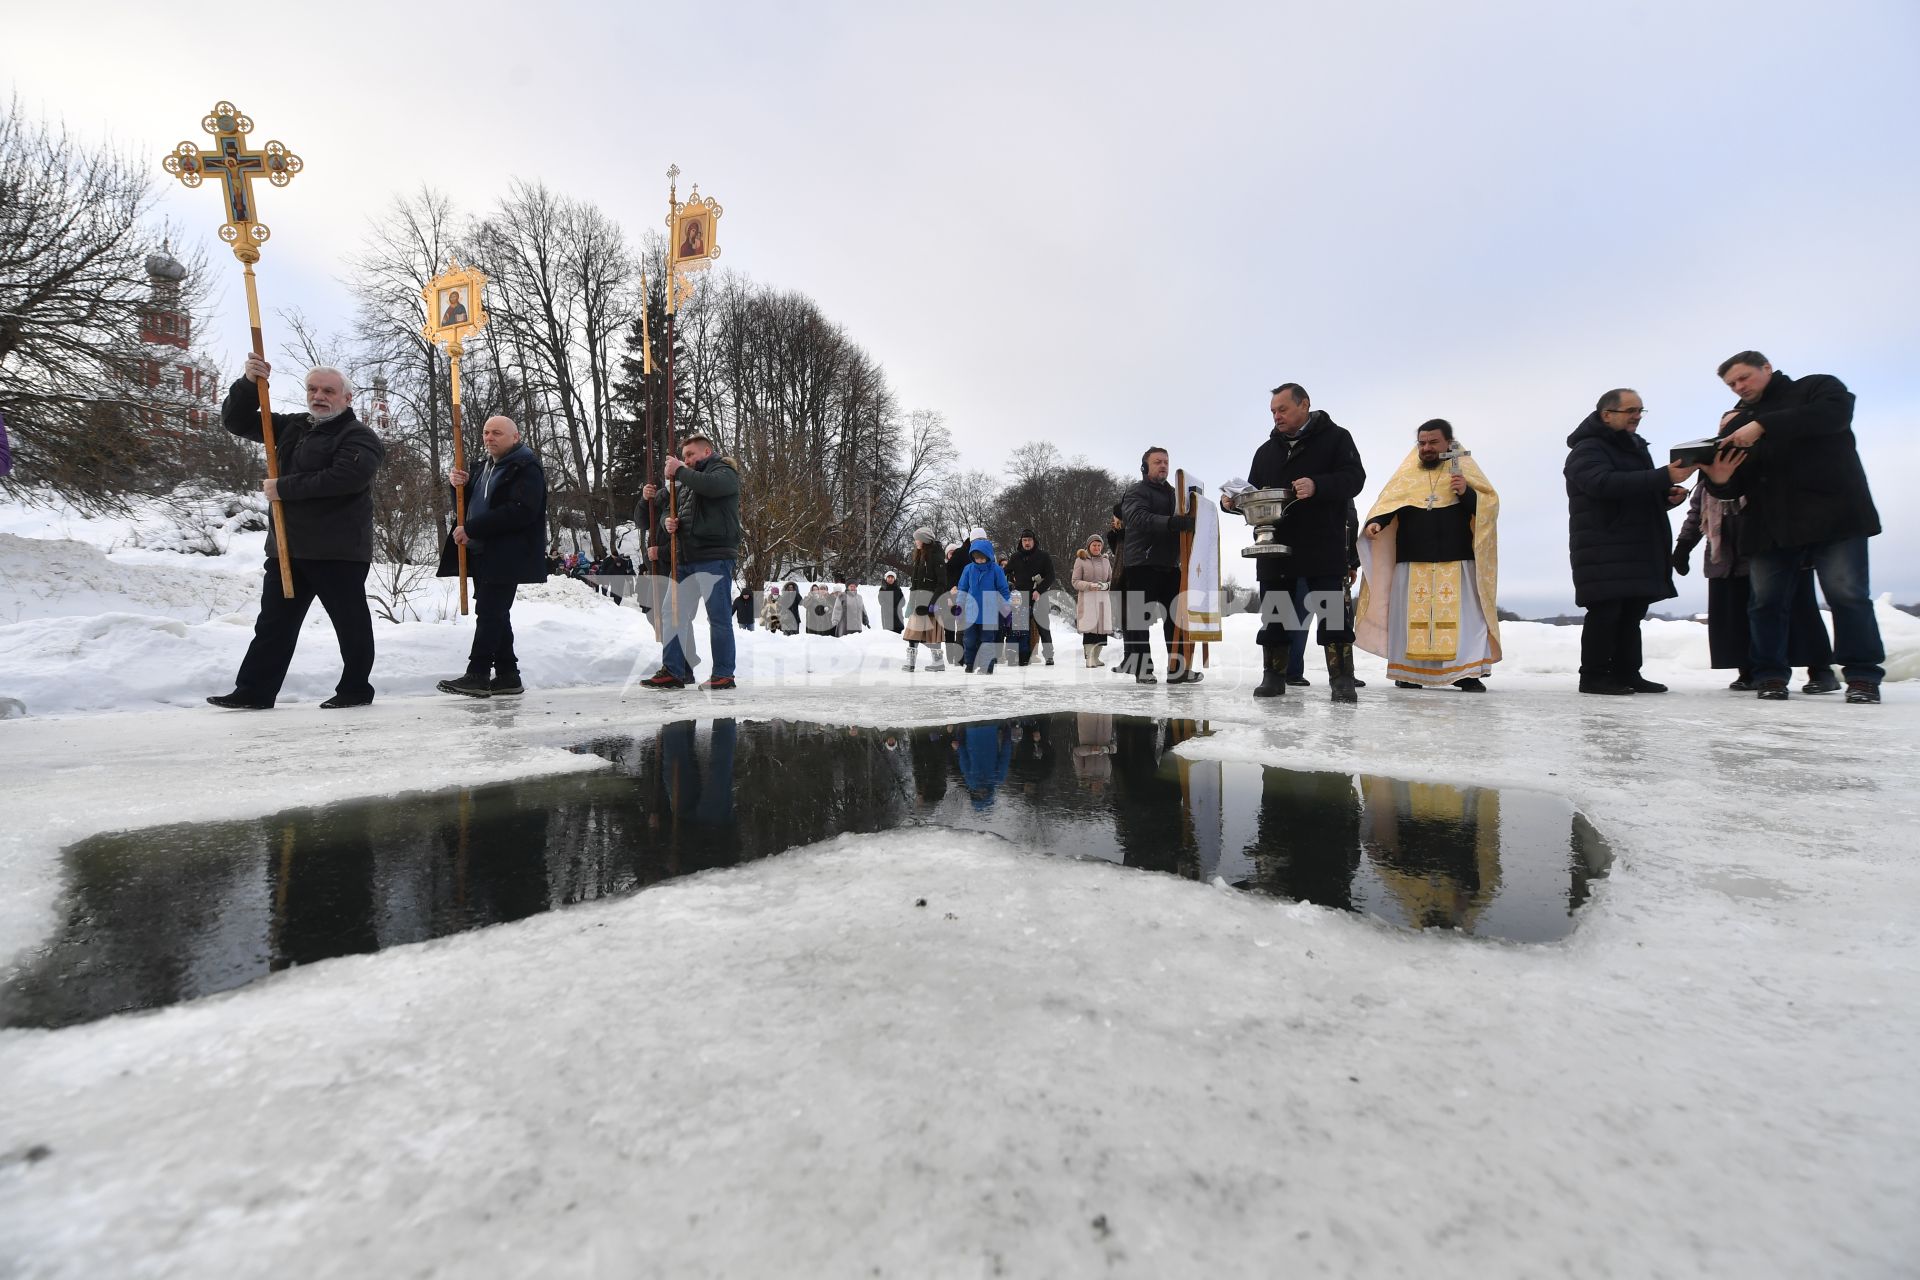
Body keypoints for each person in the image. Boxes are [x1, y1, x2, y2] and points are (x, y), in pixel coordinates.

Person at [1701, 351, 1883, 703]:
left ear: (1766, 368)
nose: (1739, 387)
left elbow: (1834, 415)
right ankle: (1769, 675)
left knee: (1847, 594)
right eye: (1731, 384)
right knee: (1765, 602)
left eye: (1743, 378)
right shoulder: (1741, 422)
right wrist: (1720, 481)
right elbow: (1737, 483)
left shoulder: (1817, 387)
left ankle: (1862, 676)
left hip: (1834, 514)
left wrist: (1764, 425)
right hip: (1770, 524)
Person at [207, 357, 385, 710]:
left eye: (329, 391)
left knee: (349, 624)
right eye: (313, 389)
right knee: (274, 625)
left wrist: (283, 488)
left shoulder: (360, 437)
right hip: (287, 549)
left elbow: (346, 478)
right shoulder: (293, 427)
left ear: (347, 398)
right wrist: (248, 383)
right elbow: (237, 421)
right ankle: (254, 691)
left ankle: (355, 689)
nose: (319, 396)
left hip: (337, 550)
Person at [1221, 383, 1367, 702]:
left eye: (1282, 409)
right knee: (1276, 614)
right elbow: (1254, 495)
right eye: (1273, 411)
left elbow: (1355, 479)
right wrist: (1232, 503)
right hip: (1275, 547)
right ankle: (1273, 676)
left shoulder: (1337, 438)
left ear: (1304, 405)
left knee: (1333, 614)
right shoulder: (1266, 451)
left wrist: (1319, 485)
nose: (1277, 416)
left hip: (1324, 542)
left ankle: (1341, 679)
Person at [1564, 388, 1695, 695]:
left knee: (1632, 610)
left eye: (1640, 410)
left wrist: (1664, 497)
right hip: (1602, 544)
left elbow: (1631, 492)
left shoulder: (1634, 446)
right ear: (1606, 415)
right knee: (1606, 611)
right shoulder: (1587, 449)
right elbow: (1602, 484)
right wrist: (1664, 477)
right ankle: (1594, 676)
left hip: (1634, 544)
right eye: (1630, 410)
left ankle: (1627, 672)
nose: (1637, 416)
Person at [1356, 419, 1500, 692]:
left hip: (1457, 559)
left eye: (1433, 442)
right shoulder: (1408, 473)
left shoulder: (1463, 469)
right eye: (1422, 443)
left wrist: (1466, 492)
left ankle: (1465, 673)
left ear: (1449, 442)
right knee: (1411, 620)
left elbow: (1488, 508)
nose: (1427, 448)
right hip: (1412, 559)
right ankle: (1409, 673)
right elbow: (1389, 502)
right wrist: (1378, 522)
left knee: (1464, 619)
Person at [1674, 486, 1835, 691]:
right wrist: (1684, 544)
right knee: (1738, 615)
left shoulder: (1767, 466)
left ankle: (1821, 670)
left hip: (1778, 547)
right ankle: (1749, 670)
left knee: (1800, 611)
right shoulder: (1711, 475)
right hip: (1725, 555)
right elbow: (1697, 511)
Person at [434, 416, 548, 697]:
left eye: (497, 433)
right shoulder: (483, 468)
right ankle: (509, 674)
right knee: (496, 613)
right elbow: (471, 506)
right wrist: (456, 486)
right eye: (486, 432)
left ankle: (478, 673)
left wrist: (472, 528)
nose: (489, 438)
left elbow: (521, 510)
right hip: (482, 551)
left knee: (490, 612)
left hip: (508, 551)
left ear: (515, 437)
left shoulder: (526, 468)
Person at [640, 433, 742, 690]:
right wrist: (670, 523)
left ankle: (723, 674)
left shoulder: (724, 472)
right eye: (683, 456)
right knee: (672, 612)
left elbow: (711, 486)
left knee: (718, 618)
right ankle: (674, 671)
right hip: (686, 559)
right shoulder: (686, 485)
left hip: (714, 558)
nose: (686, 460)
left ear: (706, 452)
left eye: (690, 455)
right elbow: (667, 513)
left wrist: (680, 470)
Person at [1118, 447, 1200, 684]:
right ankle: (1142, 669)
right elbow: (1137, 518)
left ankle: (1178, 669)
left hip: (1170, 564)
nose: (1163, 466)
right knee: (1139, 621)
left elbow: (1185, 516)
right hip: (1141, 563)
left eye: (1166, 462)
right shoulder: (1135, 491)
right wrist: (1173, 523)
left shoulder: (1176, 493)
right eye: (1157, 462)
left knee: (1176, 619)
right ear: (1145, 467)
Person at [955, 534, 1009, 674]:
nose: (979, 560)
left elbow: (1003, 589)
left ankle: (987, 667)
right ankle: (970, 664)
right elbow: (963, 589)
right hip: (971, 611)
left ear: (988, 555)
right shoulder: (968, 569)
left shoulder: (996, 570)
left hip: (989, 612)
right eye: (976, 557)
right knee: (969, 640)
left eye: (982, 557)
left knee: (987, 641)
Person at [1004, 528, 1059, 666]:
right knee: (1020, 629)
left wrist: (1039, 590)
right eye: (1024, 540)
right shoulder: (1015, 557)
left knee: (1043, 627)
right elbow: (1004, 572)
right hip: (1021, 596)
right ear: (1021, 542)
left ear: (1034, 541)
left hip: (1039, 596)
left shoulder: (1043, 556)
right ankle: (1021, 655)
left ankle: (1049, 655)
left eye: (1029, 540)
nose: (1027, 543)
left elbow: (1051, 576)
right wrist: (1009, 582)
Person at [902, 527, 948, 672]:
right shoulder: (919, 557)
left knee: (933, 634)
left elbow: (942, 583)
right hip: (918, 602)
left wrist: (932, 604)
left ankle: (938, 663)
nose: (915, 542)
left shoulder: (936, 557)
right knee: (913, 633)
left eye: (917, 539)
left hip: (931, 602)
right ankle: (911, 663)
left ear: (925, 541)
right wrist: (911, 602)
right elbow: (915, 582)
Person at [1072, 533, 1116, 668]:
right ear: (1089, 546)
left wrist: (1107, 585)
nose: (1096, 548)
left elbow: (1111, 580)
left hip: (1103, 599)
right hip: (1088, 599)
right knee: (1090, 630)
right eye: (1094, 545)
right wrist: (1089, 585)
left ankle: (1096, 657)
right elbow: (1075, 581)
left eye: (1099, 545)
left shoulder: (1106, 561)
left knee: (1102, 631)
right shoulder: (1081, 560)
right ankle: (1089, 658)